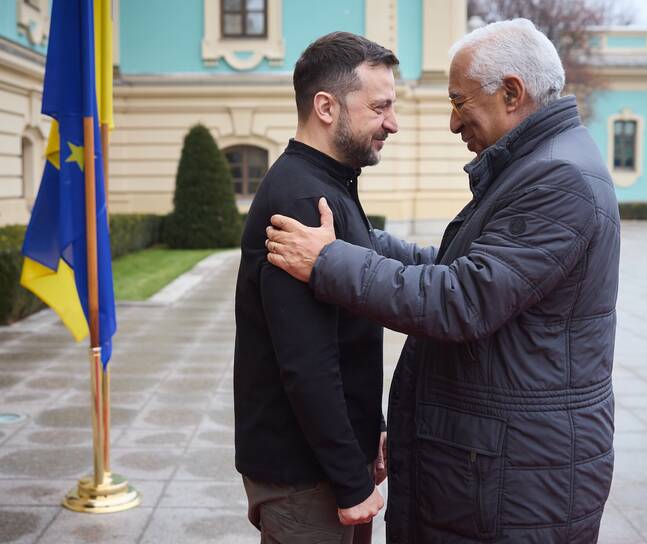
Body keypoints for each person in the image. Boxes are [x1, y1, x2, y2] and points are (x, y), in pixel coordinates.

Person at [265, 19, 619, 544]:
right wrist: (363, 240)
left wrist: (329, 261)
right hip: (504, 467)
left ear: (512, 93)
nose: (454, 123)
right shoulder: (543, 162)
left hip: (515, 480)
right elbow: (458, 266)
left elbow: (461, 299)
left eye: (459, 101)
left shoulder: (557, 178)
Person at [233, 32, 398, 544]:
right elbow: (306, 362)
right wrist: (350, 481)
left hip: (328, 460)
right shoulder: (304, 199)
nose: (392, 123)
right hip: (305, 474)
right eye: (380, 107)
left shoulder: (329, 183)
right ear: (326, 107)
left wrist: (372, 428)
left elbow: (348, 334)